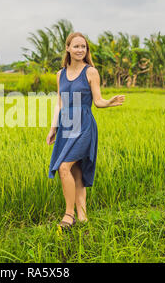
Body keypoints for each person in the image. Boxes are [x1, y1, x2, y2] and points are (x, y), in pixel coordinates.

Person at [46, 32, 125, 229]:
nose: (80, 50)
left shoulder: (90, 72)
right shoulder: (60, 74)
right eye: (76, 46)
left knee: (64, 167)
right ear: (68, 48)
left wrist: (109, 102)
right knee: (76, 171)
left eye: (84, 47)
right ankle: (83, 217)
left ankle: (68, 215)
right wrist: (53, 127)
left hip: (84, 126)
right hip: (66, 124)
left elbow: (97, 101)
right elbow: (60, 103)